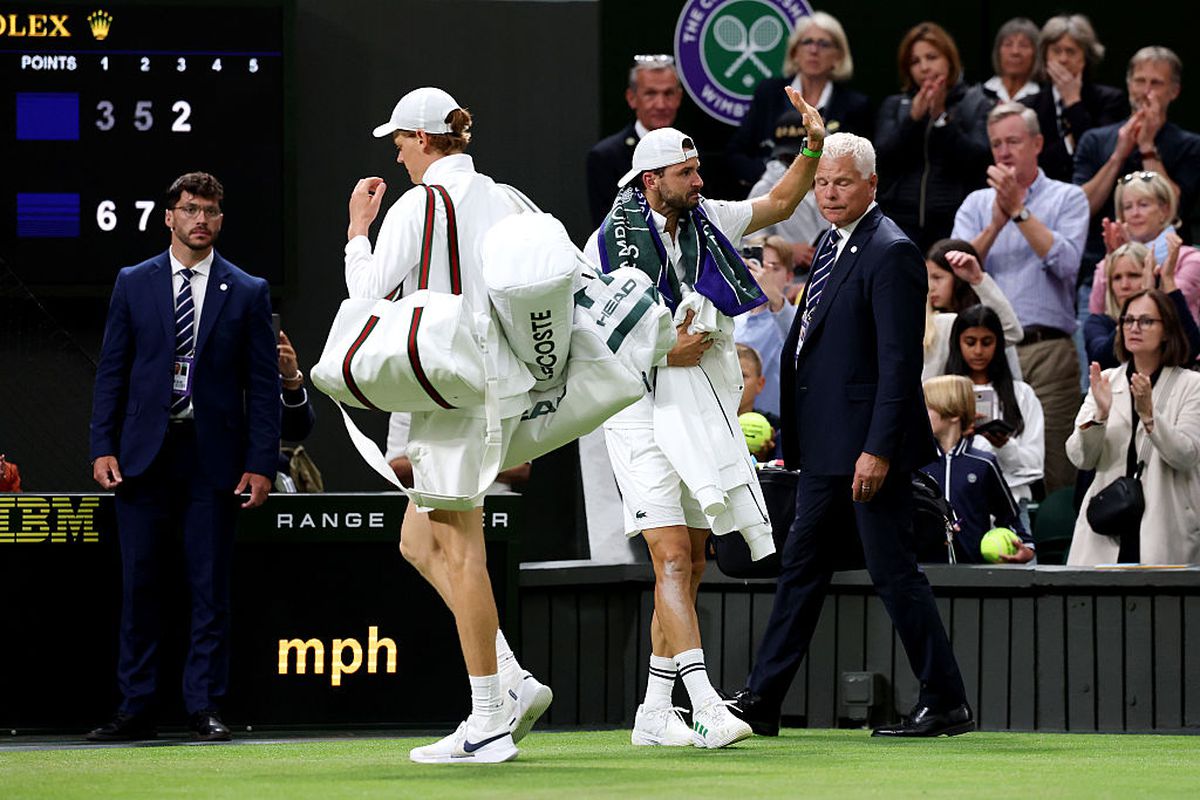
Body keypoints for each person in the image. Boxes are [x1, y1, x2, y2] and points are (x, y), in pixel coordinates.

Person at [583, 86, 826, 749]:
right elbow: (593, 336)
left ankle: (653, 711)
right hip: (636, 411)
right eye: (686, 173)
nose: (698, 181)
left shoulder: (710, 217)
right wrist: (664, 348)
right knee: (668, 558)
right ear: (651, 179)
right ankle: (707, 703)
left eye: (697, 170)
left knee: (692, 561)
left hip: (699, 406)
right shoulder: (605, 243)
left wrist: (811, 148)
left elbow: (780, 203)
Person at [728, 132, 972, 739]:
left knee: (893, 573)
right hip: (826, 450)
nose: (829, 193)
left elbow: (898, 364)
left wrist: (878, 450)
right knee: (801, 569)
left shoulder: (891, 250)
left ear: (871, 184)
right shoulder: (832, 244)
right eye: (821, 183)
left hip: (866, 449)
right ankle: (763, 699)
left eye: (842, 182)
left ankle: (945, 700)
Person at [345, 87, 551, 764]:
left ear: (425, 139)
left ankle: (488, 716)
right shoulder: (507, 198)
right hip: (495, 389)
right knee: (417, 542)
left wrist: (357, 230)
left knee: (463, 552)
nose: (397, 154)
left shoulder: (419, 203)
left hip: (446, 392)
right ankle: (511, 678)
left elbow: (367, 297)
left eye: (400, 141)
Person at [87, 172, 280, 742]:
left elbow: (262, 386)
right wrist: (102, 446)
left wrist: (262, 462)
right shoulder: (133, 282)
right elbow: (112, 371)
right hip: (142, 454)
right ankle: (135, 708)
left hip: (212, 455)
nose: (202, 220)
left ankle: (204, 706)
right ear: (169, 216)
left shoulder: (247, 289)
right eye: (191, 209)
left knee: (208, 586)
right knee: (140, 584)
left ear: (221, 218)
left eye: (211, 211)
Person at [951, 102, 1089, 492]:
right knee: (986, 455)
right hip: (985, 353)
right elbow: (955, 273)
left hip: (1047, 351)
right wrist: (996, 224)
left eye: (1013, 141)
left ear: (1038, 143)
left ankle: (1054, 531)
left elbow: (1068, 264)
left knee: (1056, 464)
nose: (1004, 151)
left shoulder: (1068, 198)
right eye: (996, 144)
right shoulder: (976, 203)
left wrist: (1018, 211)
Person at [1068, 289, 1200, 565]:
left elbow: (1186, 455)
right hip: (1107, 530)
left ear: (1167, 331)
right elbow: (1081, 458)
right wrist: (1100, 416)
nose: (1134, 327)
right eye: (1128, 320)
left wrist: (1150, 417)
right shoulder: (1106, 380)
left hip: (1164, 528)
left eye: (1146, 321)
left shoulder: (1191, 385)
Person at [1074, 47, 1200, 269]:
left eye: (1156, 83)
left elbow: (1175, 208)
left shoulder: (1191, 145)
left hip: (1167, 266)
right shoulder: (1094, 139)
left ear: (1174, 91)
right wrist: (1117, 156)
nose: (1146, 91)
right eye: (1140, 81)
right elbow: (1079, 208)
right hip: (1102, 264)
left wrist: (1147, 147)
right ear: (1129, 84)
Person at [875, 22, 992, 251]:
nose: (924, 67)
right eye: (915, 61)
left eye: (931, 57)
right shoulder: (895, 105)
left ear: (949, 59)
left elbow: (977, 160)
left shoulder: (976, 103)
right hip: (899, 222)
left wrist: (941, 118)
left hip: (954, 223)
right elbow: (883, 159)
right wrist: (913, 120)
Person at [727, 11, 870, 190]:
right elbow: (736, 153)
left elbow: (861, 166)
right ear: (795, 53)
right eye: (807, 42)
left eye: (824, 44)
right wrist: (770, 177)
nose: (814, 50)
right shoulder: (769, 93)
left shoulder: (855, 105)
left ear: (838, 57)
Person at [944, 306, 1045, 535]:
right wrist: (957, 435)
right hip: (955, 507)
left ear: (999, 344)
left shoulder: (1021, 394)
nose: (978, 351)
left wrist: (1004, 445)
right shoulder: (942, 393)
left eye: (987, 342)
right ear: (957, 343)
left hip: (1010, 505)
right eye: (970, 342)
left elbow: (1035, 464)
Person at [919, 375, 1032, 563]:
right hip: (925, 571)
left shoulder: (983, 464)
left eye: (928, 408)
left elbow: (1009, 517)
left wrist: (1026, 547)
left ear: (953, 414)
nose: (919, 414)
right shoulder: (917, 464)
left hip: (973, 571)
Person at [1019, 14, 1126, 183]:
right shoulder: (1027, 106)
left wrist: (1073, 102)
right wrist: (1068, 144)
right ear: (1045, 56)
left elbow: (1101, 154)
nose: (1063, 59)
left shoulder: (1110, 100)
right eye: (1056, 51)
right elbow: (1031, 162)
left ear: (1085, 58)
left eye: (1071, 51)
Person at [1088, 170, 1200, 323]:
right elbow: (1096, 315)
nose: (1135, 213)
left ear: (1165, 210)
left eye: (1143, 205)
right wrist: (1112, 259)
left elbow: (1168, 308)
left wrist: (1136, 256)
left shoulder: (1191, 260)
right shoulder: (1110, 261)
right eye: (1128, 207)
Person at [586, 54, 682, 226]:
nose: (661, 104)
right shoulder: (606, 158)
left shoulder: (693, 151)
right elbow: (608, 229)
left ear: (678, 97)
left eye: (668, 93)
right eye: (650, 94)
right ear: (632, 98)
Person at [1084, 238, 1200, 368]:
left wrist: (1167, 280)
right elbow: (1101, 361)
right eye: (1117, 278)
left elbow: (1190, 350)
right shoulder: (1098, 323)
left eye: (1134, 275)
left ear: (1153, 277)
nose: (1124, 285)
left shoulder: (1166, 321)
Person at [922, 241, 1023, 381]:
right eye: (927, 278)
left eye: (937, 277)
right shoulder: (932, 324)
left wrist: (977, 279)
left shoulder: (953, 323)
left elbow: (1012, 332)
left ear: (959, 278)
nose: (930, 287)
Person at [747, 109, 826, 271]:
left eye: (804, 154)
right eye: (789, 157)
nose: (798, 162)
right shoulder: (765, 188)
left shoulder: (834, 184)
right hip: (788, 280)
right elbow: (749, 245)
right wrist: (787, 251)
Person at [386, 411, 530, 492]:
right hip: (426, 503)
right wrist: (471, 461)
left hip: (493, 505)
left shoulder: (505, 397)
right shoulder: (408, 401)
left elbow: (520, 469)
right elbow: (397, 470)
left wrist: (441, 461)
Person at [734, 236, 797, 417]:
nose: (763, 273)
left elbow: (799, 338)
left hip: (776, 422)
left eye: (774, 268)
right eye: (758, 264)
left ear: (789, 277)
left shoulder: (796, 316)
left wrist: (773, 296)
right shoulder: (730, 316)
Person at [981, 18, 1040, 105]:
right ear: (998, 52)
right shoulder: (980, 95)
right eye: (1008, 44)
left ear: (1036, 53)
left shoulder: (1044, 99)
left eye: (1023, 45)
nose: (1015, 52)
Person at [736, 343, 779, 462]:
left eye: (742, 375)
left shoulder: (777, 429)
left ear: (760, 384)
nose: (734, 382)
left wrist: (765, 459)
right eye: (727, 375)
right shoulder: (702, 424)